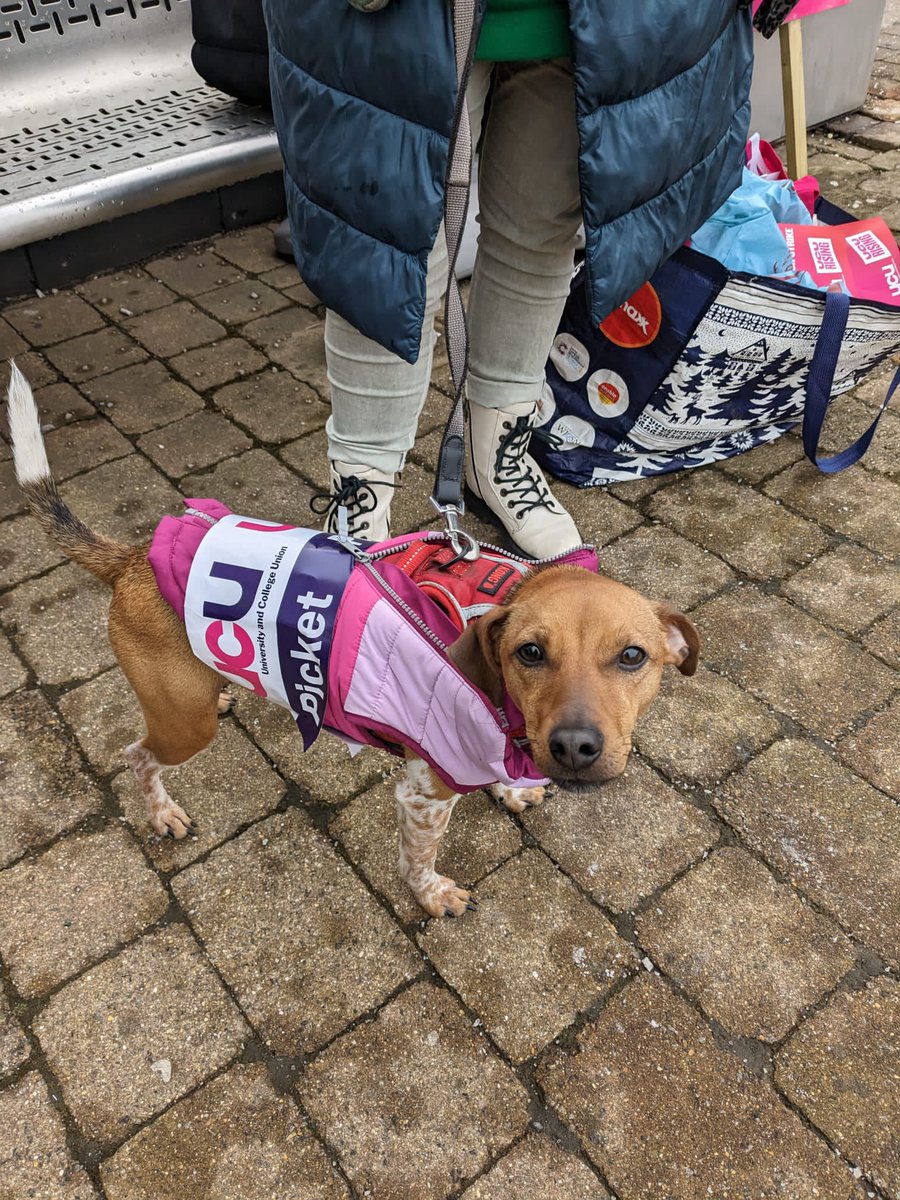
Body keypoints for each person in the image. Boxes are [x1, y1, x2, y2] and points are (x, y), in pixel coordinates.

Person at [261, 0, 753, 556]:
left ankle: (497, 456)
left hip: (592, 16)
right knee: (390, 251)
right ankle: (361, 489)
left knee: (543, 230)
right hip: (405, 18)